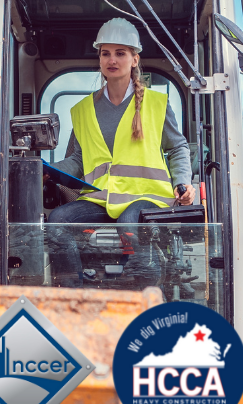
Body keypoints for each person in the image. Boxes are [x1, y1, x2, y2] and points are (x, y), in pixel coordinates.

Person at [47, 18, 196, 283]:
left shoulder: (155, 104)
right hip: (103, 198)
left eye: (120, 53)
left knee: (130, 221)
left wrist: (183, 182)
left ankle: (144, 293)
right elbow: (78, 161)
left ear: (134, 59)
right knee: (58, 220)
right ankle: (72, 295)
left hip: (147, 196)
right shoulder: (83, 110)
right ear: (100, 59)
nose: (112, 60)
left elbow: (178, 148)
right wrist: (47, 171)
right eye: (106, 53)